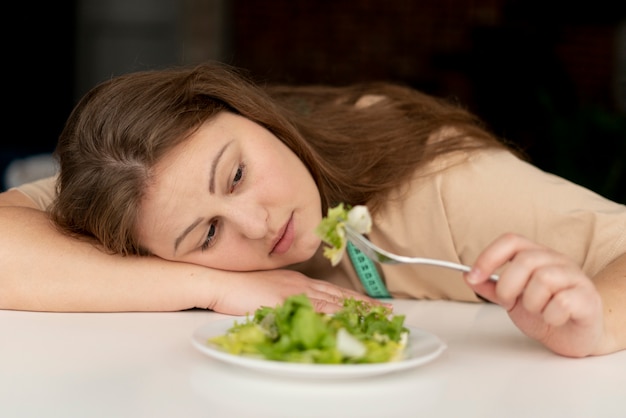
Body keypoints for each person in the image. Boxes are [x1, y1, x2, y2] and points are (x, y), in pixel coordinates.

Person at [0, 62, 624, 359]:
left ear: (248, 109)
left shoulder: (444, 181)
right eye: (207, 233)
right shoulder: (140, 191)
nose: (258, 224)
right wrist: (213, 288)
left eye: (238, 174)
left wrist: (594, 329)